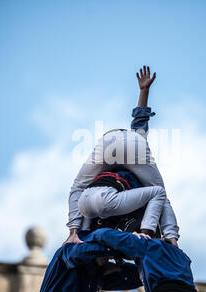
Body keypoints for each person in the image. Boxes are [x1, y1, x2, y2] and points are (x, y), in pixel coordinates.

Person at [64, 66, 179, 247]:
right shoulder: (137, 143)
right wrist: (144, 91)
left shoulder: (109, 174)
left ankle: (73, 233)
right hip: (132, 142)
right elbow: (140, 120)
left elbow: (139, 121)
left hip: (108, 140)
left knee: (78, 187)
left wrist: (143, 90)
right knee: (159, 192)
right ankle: (171, 236)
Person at [78, 228, 199, 292]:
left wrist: (81, 238)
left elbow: (104, 235)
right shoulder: (181, 255)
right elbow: (137, 276)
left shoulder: (147, 245)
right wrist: (118, 267)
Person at [37, 237, 142, 292]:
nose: (110, 257)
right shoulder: (68, 251)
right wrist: (117, 249)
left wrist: (119, 267)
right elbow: (79, 254)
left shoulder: (99, 273)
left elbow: (140, 276)